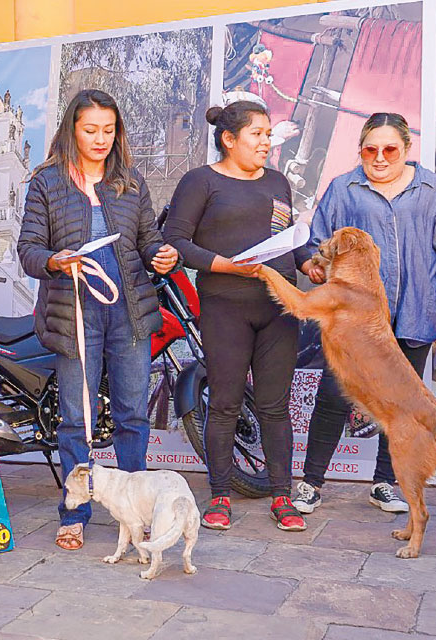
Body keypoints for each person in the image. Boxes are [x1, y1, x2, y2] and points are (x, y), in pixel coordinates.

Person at [17, 89, 180, 551]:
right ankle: (74, 512)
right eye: (90, 130)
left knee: (132, 415)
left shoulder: (129, 181)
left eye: (109, 130)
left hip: (128, 314)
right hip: (74, 314)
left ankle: (139, 509)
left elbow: (149, 241)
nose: (101, 139)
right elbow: (27, 249)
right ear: (72, 130)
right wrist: (54, 260)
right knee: (76, 420)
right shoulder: (47, 182)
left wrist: (163, 255)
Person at [291, 113, 436, 516]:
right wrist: (313, 267)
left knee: (399, 404)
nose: (380, 157)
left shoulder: (430, 189)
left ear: (406, 149)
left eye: (390, 149)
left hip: (414, 311)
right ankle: (311, 482)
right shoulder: (344, 188)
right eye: (371, 149)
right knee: (335, 396)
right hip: (357, 324)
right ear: (361, 151)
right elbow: (314, 242)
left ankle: (385, 483)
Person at [162, 101, 308, 533]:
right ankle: (220, 495)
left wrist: (312, 262)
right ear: (229, 139)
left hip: (279, 308)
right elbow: (175, 242)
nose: (267, 142)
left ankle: (283, 495)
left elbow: (289, 240)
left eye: (268, 134)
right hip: (225, 306)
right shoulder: (200, 181)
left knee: (274, 406)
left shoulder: (278, 182)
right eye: (258, 134)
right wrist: (225, 265)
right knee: (224, 403)